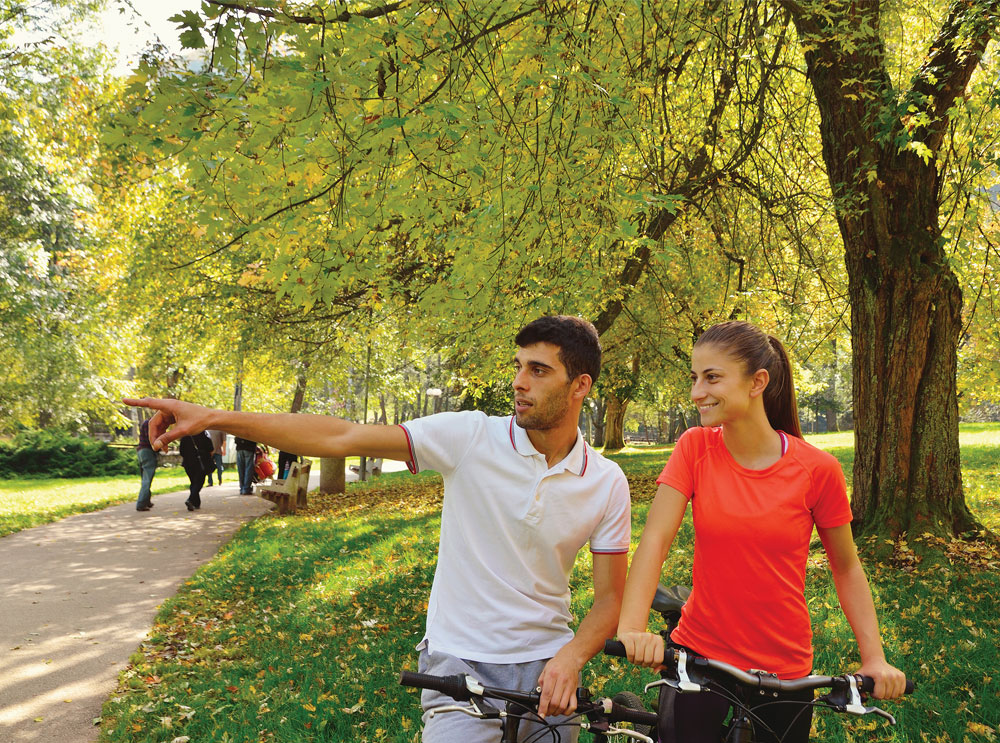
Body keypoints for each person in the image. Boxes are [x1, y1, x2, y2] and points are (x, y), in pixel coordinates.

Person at [124, 315, 630, 743]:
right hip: (461, 663)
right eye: (519, 366)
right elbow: (341, 435)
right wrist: (216, 417)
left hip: (550, 668)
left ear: (580, 385)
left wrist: (570, 658)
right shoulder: (471, 437)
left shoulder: (606, 483)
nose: (520, 381)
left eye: (538, 370)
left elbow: (610, 600)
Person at [615, 320, 907, 743]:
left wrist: (874, 659)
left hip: (785, 667)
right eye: (695, 378)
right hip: (700, 655)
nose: (698, 391)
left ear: (758, 382)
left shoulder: (818, 470)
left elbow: (846, 569)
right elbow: (655, 541)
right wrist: (632, 627)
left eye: (712, 377)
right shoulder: (695, 448)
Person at [179, 432, 214, 511]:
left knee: (194, 482)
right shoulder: (203, 434)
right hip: (200, 462)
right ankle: (190, 499)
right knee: (199, 482)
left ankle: (196, 503)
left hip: (188, 463)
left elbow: (181, 451)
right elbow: (211, 449)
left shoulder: (185, 436)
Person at [135, 418, 157, 512]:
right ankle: (141, 503)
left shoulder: (146, 422)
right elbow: (151, 439)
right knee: (147, 478)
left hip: (141, 451)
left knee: (145, 477)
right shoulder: (151, 423)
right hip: (147, 451)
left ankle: (146, 500)